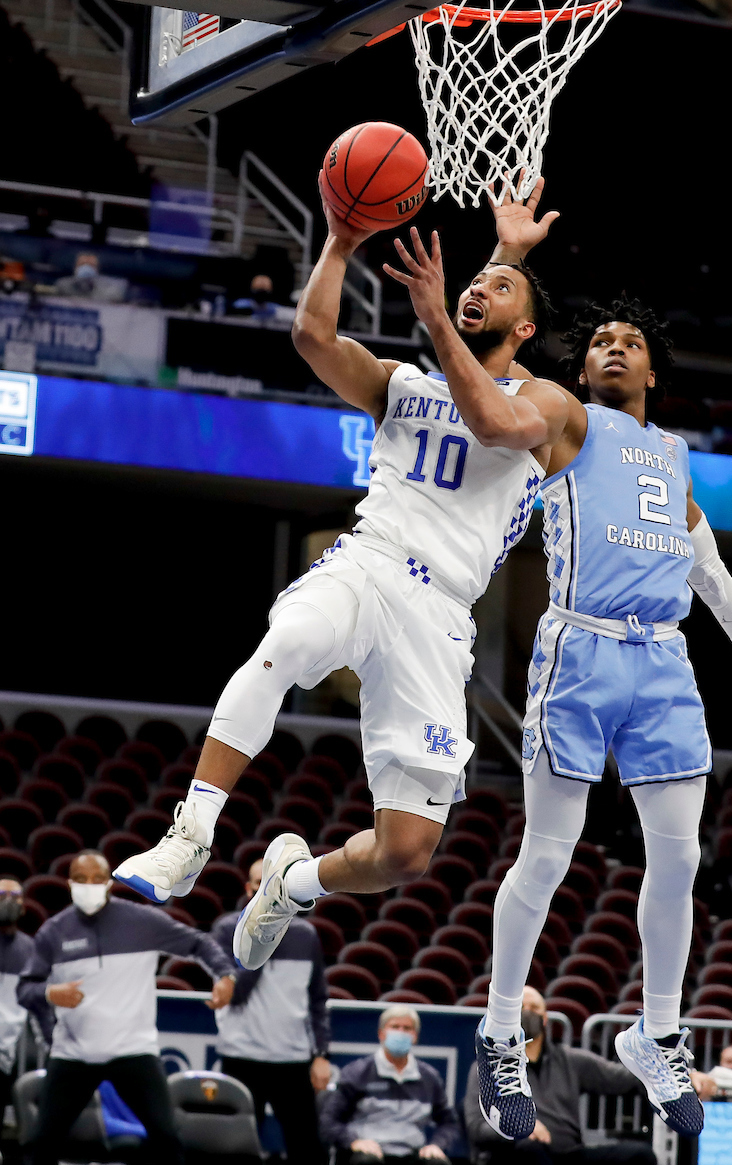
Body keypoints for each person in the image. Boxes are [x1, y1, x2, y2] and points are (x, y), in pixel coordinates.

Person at [112, 178, 567, 974]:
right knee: (283, 643)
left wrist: (482, 279)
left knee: (405, 856)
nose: (474, 290)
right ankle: (190, 837)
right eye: (472, 282)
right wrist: (341, 239)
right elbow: (314, 337)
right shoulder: (404, 385)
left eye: (496, 289)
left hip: (442, 612)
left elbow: (493, 421)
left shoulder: (545, 400)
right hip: (372, 559)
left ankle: (291, 883)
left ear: (525, 326)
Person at [475, 187, 732, 1142]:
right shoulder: (563, 415)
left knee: (682, 854)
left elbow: (703, 556)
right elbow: (489, 367)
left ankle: (656, 1035)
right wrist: (507, 257)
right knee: (550, 850)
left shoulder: (673, 451)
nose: (612, 347)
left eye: (630, 341)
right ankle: (498, 1032)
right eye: (599, 339)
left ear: (653, 367)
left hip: (664, 662)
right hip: (578, 648)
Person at [16, 851, 236, 1165]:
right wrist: (49, 993)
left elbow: (198, 942)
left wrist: (223, 974)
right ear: (69, 883)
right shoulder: (53, 933)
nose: (89, 886)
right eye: (80, 879)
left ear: (109, 882)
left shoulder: (142, 922)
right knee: (43, 1141)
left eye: (96, 879)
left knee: (166, 1137)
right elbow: (24, 989)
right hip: (74, 1054)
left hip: (134, 1051)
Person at [465, 987, 661, 1165]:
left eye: (535, 1008)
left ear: (546, 1018)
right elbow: (476, 1128)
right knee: (531, 1150)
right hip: (510, 1161)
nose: (528, 1012)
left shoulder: (570, 1060)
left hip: (568, 1158)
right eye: (521, 1008)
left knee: (639, 1157)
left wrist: (683, 1074)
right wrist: (517, 1128)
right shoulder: (489, 1067)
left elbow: (624, 1078)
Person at [212, 858, 331, 1165]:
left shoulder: (307, 936)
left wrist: (321, 1054)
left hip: (292, 1060)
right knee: (233, 1153)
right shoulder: (225, 930)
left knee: (307, 1156)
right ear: (248, 890)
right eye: (257, 884)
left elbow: (318, 1001)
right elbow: (235, 994)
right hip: (241, 1056)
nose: (264, 891)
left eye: (272, 884)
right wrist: (262, 933)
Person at [319, 1004, 458, 1165]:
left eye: (407, 1028)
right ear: (381, 1033)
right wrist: (354, 1141)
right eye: (395, 1027)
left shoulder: (429, 1078)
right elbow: (328, 1121)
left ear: (415, 1036)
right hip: (370, 1155)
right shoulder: (357, 1073)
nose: (400, 1033)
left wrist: (437, 1144)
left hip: (411, 1156)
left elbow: (449, 1122)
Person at [0, 876, 33, 1120]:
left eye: (15, 896)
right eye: (2, 896)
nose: (9, 901)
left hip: (5, 1056)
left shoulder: (32, 950)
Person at [54, 252, 128, 303]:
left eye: (91, 265)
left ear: (97, 270)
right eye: (82, 264)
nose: (86, 268)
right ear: (75, 268)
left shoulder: (110, 292)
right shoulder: (63, 285)